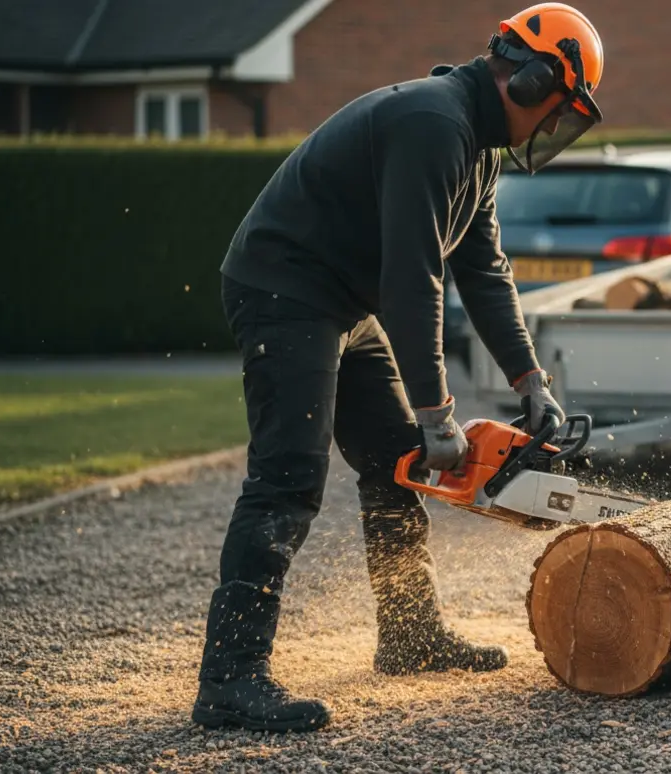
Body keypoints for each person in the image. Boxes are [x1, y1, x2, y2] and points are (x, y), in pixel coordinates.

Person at [190, 3, 605, 733]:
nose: (551, 126)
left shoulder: (474, 147)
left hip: (343, 303)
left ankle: (411, 635)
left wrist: (530, 382)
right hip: (285, 289)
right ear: (535, 81)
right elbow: (414, 280)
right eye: (558, 110)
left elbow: (483, 270)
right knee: (288, 475)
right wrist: (438, 413)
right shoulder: (433, 123)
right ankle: (230, 677)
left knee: (396, 461)